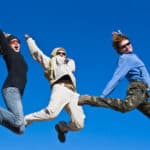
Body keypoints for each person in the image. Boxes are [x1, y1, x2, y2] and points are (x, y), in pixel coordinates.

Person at [24, 34, 85, 143]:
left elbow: (72, 66)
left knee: (79, 124)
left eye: (64, 54)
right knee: (51, 114)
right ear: (54, 54)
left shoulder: (68, 67)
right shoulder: (50, 62)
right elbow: (37, 53)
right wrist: (29, 40)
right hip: (60, 88)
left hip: (73, 93)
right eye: (59, 53)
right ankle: (25, 120)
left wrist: (70, 61)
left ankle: (61, 128)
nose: (62, 55)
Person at [78, 31, 150, 118]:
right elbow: (117, 77)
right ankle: (89, 99)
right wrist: (102, 97)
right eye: (123, 47)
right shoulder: (126, 58)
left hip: (144, 92)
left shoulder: (133, 56)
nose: (127, 47)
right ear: (119, 50)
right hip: (138, 88)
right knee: (125, 106)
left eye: (128, 43)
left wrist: (119, 35)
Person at [0, 29, 28, 134]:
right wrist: (5, 36)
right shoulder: (8, 52)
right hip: (11, 88)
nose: (16, 43)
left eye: (18, 42)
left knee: (20, 129)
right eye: (13, 42)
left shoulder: (21, 57)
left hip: (18, 93)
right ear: (8, 44)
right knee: (18, 120)